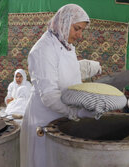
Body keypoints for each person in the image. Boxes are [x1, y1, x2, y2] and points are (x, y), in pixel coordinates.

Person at [20, 4, 101, 167]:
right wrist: (77, 112)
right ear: (64, 22)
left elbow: (66, 71)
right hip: (44, 120)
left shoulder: (66, 45)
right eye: (77, 29)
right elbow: (49, 96)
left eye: (82, 30)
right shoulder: (43, 50)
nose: (79, 35)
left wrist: (91, 67)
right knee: (44, 160)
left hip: (60, 116)